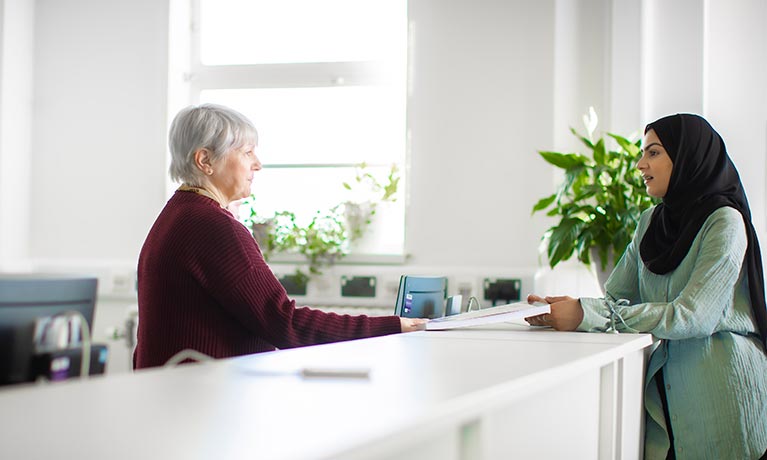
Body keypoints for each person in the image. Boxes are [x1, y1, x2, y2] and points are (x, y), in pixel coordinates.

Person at [527, 113, 767, 459]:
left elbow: (694, 316)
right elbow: (615, 298)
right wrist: (565, 308)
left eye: (653, 153)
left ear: (687, 156)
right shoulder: (649, 222)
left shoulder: (725, 222)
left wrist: (587, 313)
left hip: (720, 395)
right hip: (664, 402)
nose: (640, 164)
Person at [134, 103, 426, 369]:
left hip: (177, 393)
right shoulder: (211, 226)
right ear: (205, 160)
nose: (257, 164)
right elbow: (286, 324)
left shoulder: (180, 213)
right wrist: (394, 326)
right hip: (197, 401)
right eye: (247, 152)